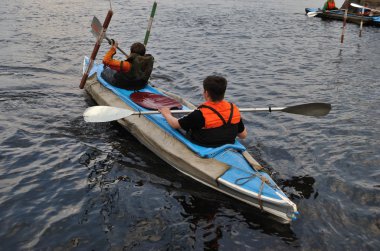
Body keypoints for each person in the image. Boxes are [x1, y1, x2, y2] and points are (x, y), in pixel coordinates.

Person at [158, 75, 247, 147]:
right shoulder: (234, 110)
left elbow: (174, 125)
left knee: (176, 122)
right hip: (227, 141)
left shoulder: (200, 114)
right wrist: (236, 119)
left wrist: (166, 114)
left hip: (204, 143)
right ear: (223, 92)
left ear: (206, 93)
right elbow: (243, 135)